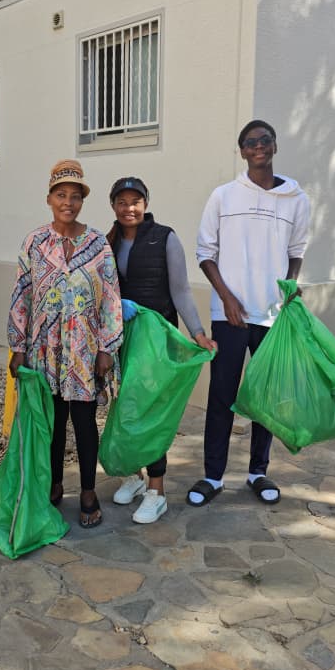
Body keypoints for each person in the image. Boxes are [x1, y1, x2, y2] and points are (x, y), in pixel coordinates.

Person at [188, 119, 311, 508]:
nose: (259, 146)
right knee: (222, 396)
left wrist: (289, 286)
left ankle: (258, 471)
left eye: (265, 140)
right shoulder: (223, 196)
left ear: (274, 146)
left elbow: (296, 252)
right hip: (230, 316)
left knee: (265, 397)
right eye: (251, 142)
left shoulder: (296, 199)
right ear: (241, 151)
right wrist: (226, 297)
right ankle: (213, 476)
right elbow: (205, 252)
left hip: (272, 315)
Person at [8, 159, 123, 528]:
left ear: (82, 201)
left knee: (85, 422)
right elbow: (22, 294)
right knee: (54, 420)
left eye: (75, 196)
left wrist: (107, 347)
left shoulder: (98, 243)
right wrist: (18, 346)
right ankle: (55, 483)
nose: (68, 202)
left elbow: (111, 297)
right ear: (49, 198)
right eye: (61, 195)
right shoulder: (34, 242)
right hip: (46, 348)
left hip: (85, 350)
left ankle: (88, 491)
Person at [107, 177, 217, 524]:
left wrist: (198, 333)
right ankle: (134, 476)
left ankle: (157, 491)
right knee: (126, 406)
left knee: (153, 411)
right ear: (113, 206)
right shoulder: (107, 241)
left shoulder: (165, 238)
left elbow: (181, 290)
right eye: (122, 202)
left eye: (135, 201)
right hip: (122, 339)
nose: (129, 208)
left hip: (157, 341)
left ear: (146, 203)